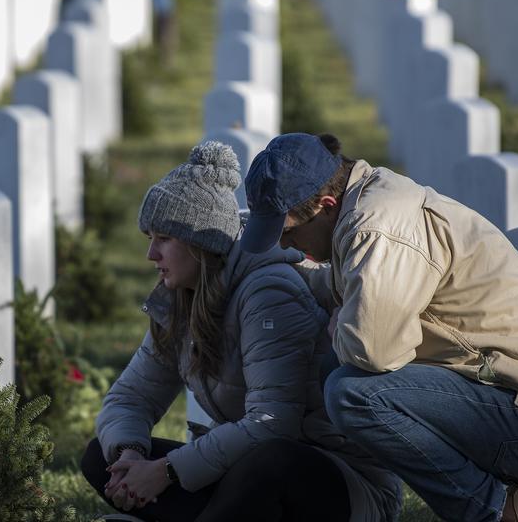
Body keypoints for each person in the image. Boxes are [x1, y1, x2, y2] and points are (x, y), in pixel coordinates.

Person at [240, 132, 518, 522]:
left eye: (288, 232)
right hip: (509, 399)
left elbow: (373, 350)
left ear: (326, 205)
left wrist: (343, 325)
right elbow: (340, 290)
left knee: (352, 393)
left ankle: (492, 512)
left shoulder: (376, 229)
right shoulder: (360, 207)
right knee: (336, 369)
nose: (284, 242)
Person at [80, 141, 401, 521]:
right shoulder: (180, 299)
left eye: (164, 239)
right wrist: (129, 457)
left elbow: (274, 422)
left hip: (338, 485)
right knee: (100, 455)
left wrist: (165, 471)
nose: (151, 255)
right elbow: (131, 397)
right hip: (248, 474)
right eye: (149, 238)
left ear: (202, 244)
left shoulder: (268, 292)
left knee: (268, 463)